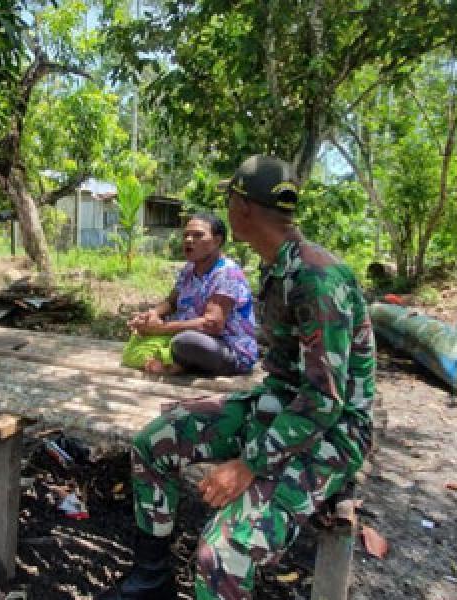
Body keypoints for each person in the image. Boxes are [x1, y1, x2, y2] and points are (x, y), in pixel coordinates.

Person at [98, 155, 375, 600]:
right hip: (280, 407)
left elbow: (325, 401)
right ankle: (152, 579)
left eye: (228, 201)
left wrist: (249, 465)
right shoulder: (276, 266)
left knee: (219, 555)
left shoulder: (317, 279)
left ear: (240, 207)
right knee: (156, 440)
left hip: (333, 432)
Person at [126, 213, 257, 376]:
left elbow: (212, 325)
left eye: (198, 235)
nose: (188, 240)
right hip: (191, 339)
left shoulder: (227, 273)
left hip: (228, 350)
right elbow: (172, 302)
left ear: (217, 240)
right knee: (153, 337)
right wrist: (152, 314)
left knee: (185, 342)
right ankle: (176, 363)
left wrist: (160, 329)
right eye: (186, 235)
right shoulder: (189, 269)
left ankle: (176, 364)